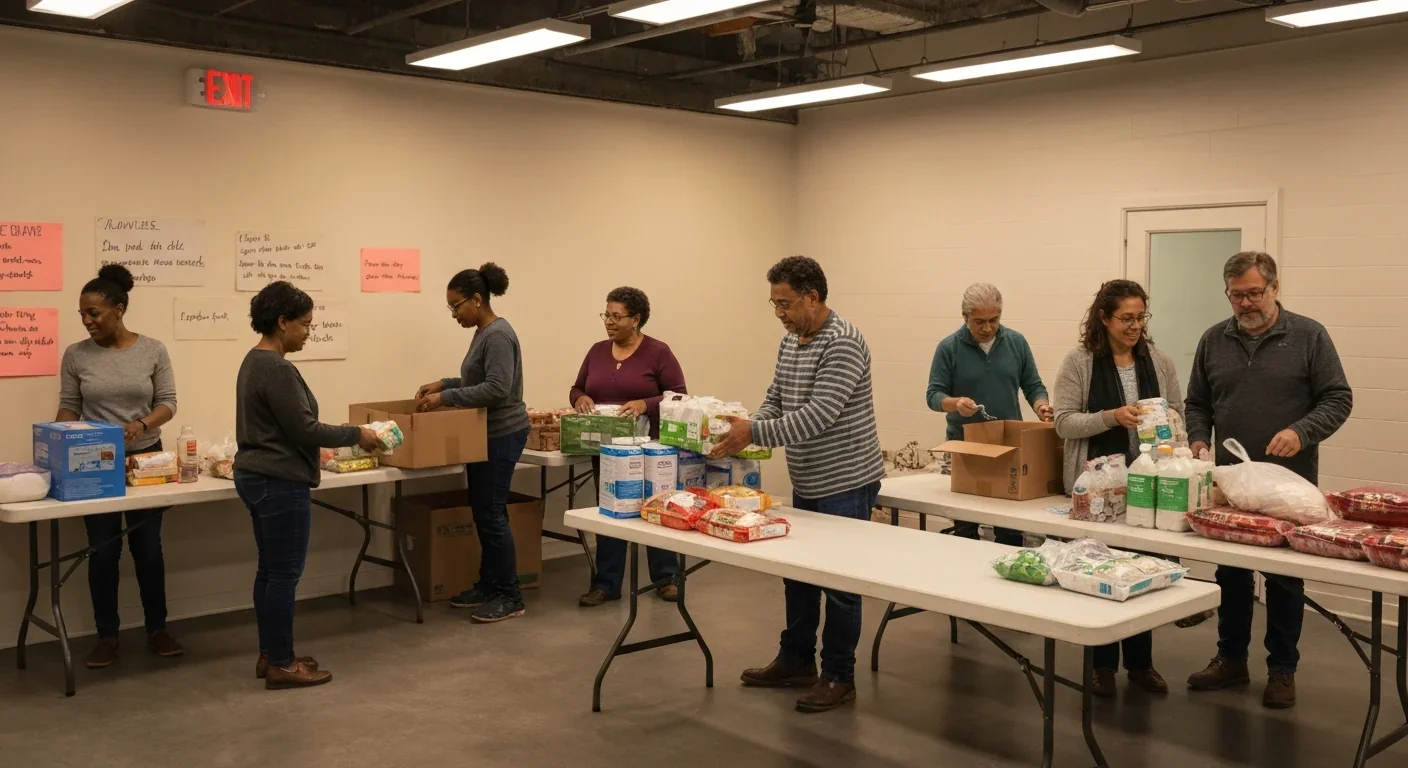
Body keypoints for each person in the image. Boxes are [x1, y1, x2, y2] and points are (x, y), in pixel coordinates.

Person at [711, 256, 884, 714]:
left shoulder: (843, 342)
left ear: (812, 296)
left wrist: (754, 434)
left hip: (847, 480)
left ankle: (838, 675)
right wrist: (745, 424)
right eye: (774, 305)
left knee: (841, 584)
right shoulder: (792, 341)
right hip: (809, 477)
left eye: (785, 303)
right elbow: (778, 399)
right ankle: (796, 660)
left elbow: (817, 416)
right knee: (800, 575)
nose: (779, 313)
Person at [1185, 251, 1352, 709]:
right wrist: (1199, 439)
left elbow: (1338, 398)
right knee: (1231, 574)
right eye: (1236, 295)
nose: (1245, 303)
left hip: (1290, 488)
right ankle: (1230, 659)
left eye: (1254, 293)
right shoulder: (1212, 339)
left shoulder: (1308, 335)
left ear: (1275, 289)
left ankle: (1282, 669)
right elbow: (1197, 402)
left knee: (1283, 580)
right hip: (1231, 484)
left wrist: (1302, 432)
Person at [234, 281, 380, 690]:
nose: (308, 332)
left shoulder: (253, 360)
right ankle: (282, 663)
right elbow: (304, 428)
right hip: (278, 481)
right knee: (284, 575)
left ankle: (272, 653)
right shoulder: (276, 367)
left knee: (270, 571)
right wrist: (358, 433)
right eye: (304, 324)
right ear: (282, 323)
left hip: (257, 476)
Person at [1053, 279, 1180, 698]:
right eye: (1126, 318)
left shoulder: (1159, 362)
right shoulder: (1079, 362)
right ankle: (1100, 666)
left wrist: (1170, 429)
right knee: (1102, 573)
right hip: (1100, 490)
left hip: (1147, 487)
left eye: (1141, 317)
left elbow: (1178, 415)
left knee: (1144, 573)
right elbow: (1065, 422)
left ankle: (1141, 664)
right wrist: (1111, 416)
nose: (1135, 326)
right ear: (1103, 318)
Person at [56, 264, 183, 669]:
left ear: (119, 309)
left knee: (148, 549)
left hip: (146, 459)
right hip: (95, 462)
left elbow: (168, 402)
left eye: (94, 313)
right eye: (82, 315)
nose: (87, 321)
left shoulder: (153, 350)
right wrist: (56, 439)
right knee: (103, 551)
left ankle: (157, 629)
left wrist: (141, 424)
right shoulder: (76, 354)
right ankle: (107, 637)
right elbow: (70, 405)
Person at [416, 263, 531, 624]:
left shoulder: (497, 335)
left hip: (502, 434)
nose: (454, 314)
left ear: (477, 300)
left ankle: (510, 595)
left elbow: (498, 389)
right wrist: (444, 383)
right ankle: (488, 584)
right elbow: (476, 377)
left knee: (491, 514)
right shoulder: (484, 332)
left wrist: (446, 398)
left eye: (456, 306)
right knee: (484, 512)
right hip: (484, 434)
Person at [570, 286, 688, 607]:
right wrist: (580, 398)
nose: (608, 321)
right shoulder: (597, 351)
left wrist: (644, 403)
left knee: (653, 507)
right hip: (608, 449)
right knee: (611, 510)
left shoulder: (658, 352)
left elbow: (678, 395)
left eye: (616, 316)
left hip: (650, 447)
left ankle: (665, 577)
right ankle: (607, 583)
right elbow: (578, 387)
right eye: (605, 315)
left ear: (635, 320)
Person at [926, 282, 1052, 546]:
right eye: (979, 322)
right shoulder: (949, 348)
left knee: (1009, 526)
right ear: (965, 318)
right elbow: (934, 395)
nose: (987, 328)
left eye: (993, 320)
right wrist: (956, 403)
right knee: (966, 526)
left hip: (1008, 446)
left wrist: (1041, 405)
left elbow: (1032, 384)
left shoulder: (1015, 342)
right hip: (966, 446)